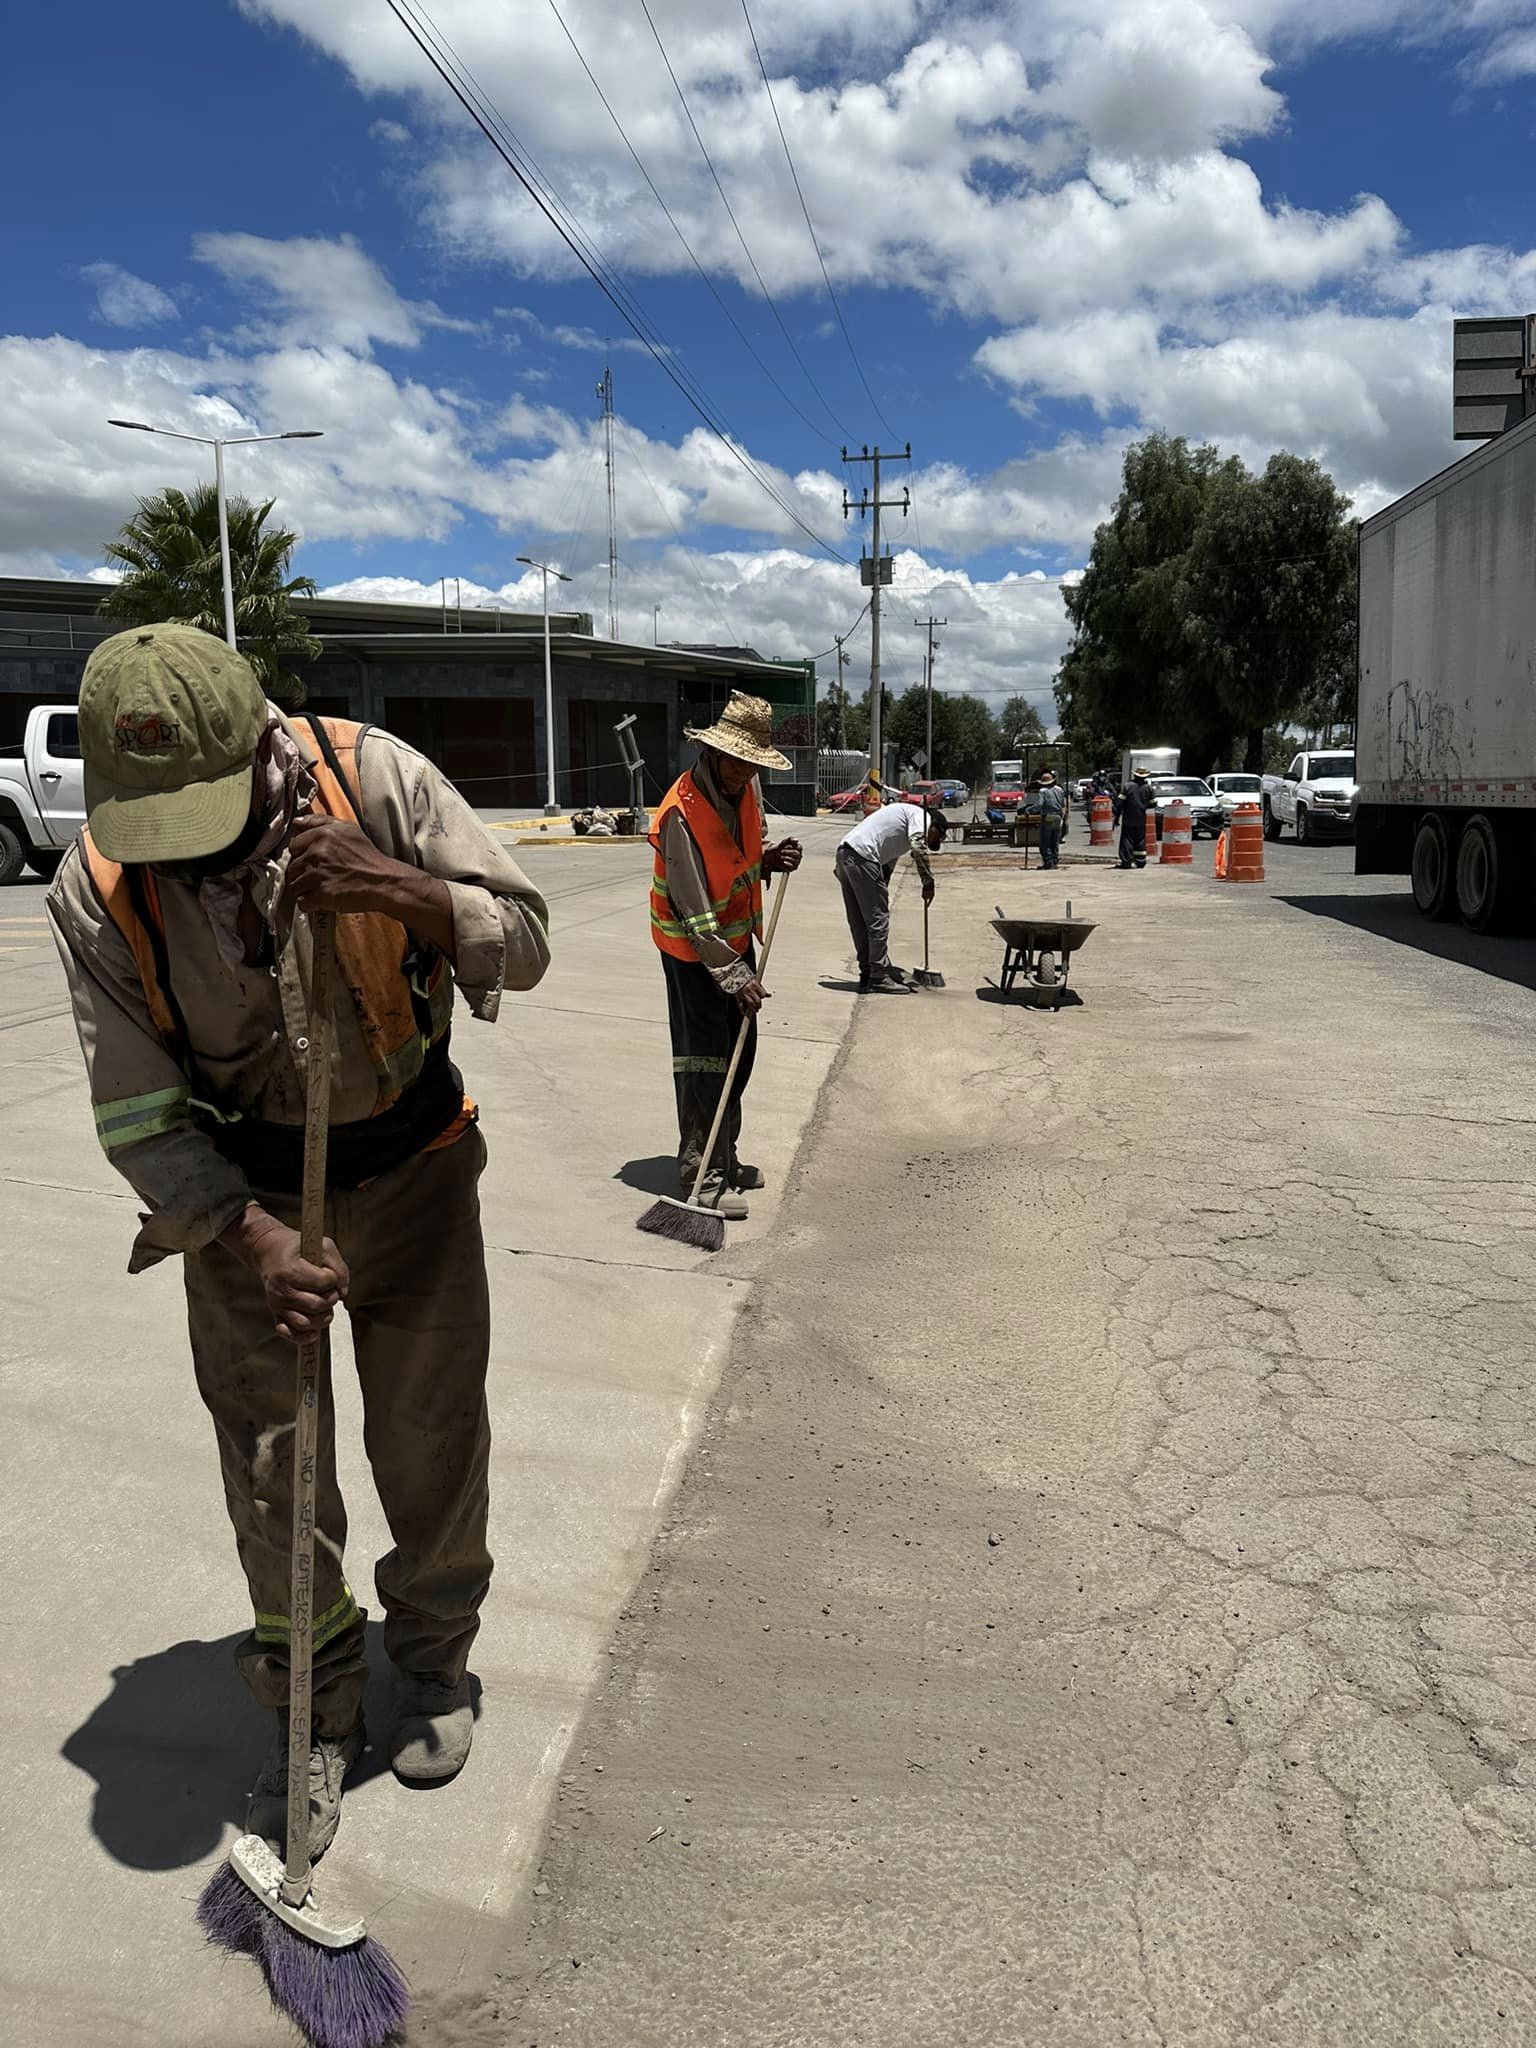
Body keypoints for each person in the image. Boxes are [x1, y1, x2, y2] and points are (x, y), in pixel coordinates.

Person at [46, 622, 551, 1861]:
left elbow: (528, 943)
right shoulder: (94, 888)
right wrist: (256, 1235)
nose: (180, 853)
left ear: (256, 743)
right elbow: (137, 1109)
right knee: (274, 1469)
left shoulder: (373, 776)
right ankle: (313, 1705)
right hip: (240, 1211)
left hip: (418, 1176)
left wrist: (400, 888)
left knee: (431, 1438)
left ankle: (433, 1666)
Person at [649, 691, 802, 1219]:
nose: (744, 772)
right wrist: (734, 975)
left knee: (739, 1059)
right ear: (714, 753)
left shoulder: (745, 791)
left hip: (734, 947)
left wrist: (769, 861)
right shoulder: (680, 816)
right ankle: (700, 1169)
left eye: (752, 763)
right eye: (738, 761)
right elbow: (693, 912)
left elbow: (736, 861)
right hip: (693, 956)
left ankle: (726, 1154)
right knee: (703, 1063)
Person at [835, 796, 947, 989]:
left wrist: (878, 889)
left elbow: (887, 867)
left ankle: (868, 971)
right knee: (878, 920)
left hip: (846, 855)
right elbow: (918, 847)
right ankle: (878, 975)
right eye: (937, 838)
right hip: (863, 857)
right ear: (935, 826)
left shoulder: (901, 820)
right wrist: (928, 881)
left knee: (860, 921)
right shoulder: (922, 817)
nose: (932, 843)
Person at [1114, 765, 1154, 868]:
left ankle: (1126, 862)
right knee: (1140, 839)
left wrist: (1117, 817)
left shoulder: (1127, 786)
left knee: (1127, 839)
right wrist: (1143, 805)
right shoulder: (1149, 788)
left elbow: (1119, 803)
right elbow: (1153, 803)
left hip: (1128, 818)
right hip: (1141, 818)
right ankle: (1140, 861)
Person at [1036, 770, 1067, 870]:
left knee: (1045, 842)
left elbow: (1040, 804)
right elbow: (1063, 804)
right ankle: (1054, 861)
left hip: (1047, 817)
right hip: (1058, 817)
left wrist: (1030, 809)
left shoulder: (1043, 791)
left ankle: (1048, 862)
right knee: (1055, 840)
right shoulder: (1059, 790)